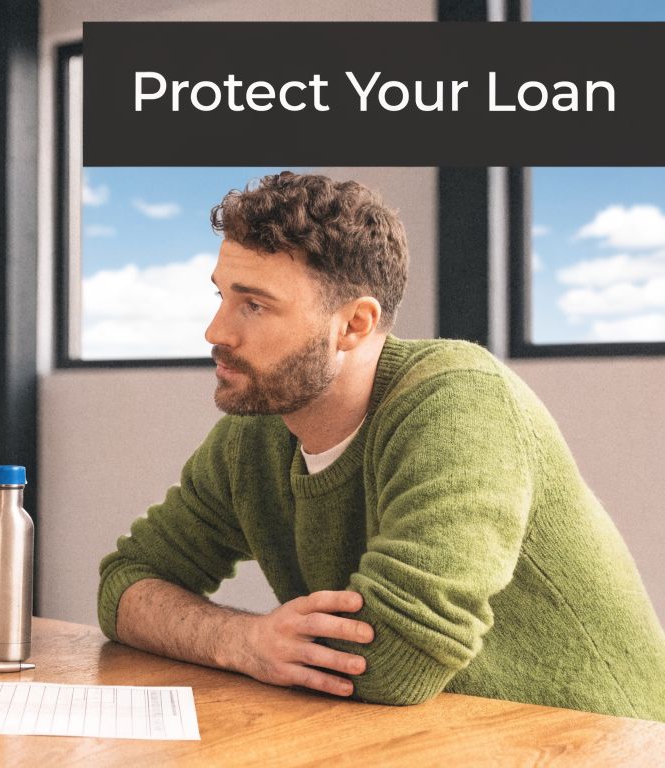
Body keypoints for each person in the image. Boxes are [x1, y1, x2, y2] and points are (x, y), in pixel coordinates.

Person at [98, 171, 665, 721]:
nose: (215, 332)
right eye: (222, 297)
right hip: (428, 739)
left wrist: (240, 641)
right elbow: (127, 582)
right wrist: (243, 639)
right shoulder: (256, 434)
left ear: (354, 325)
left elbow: (392, 662)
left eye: (254, 305)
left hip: (601, 743)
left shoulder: (460, 403)